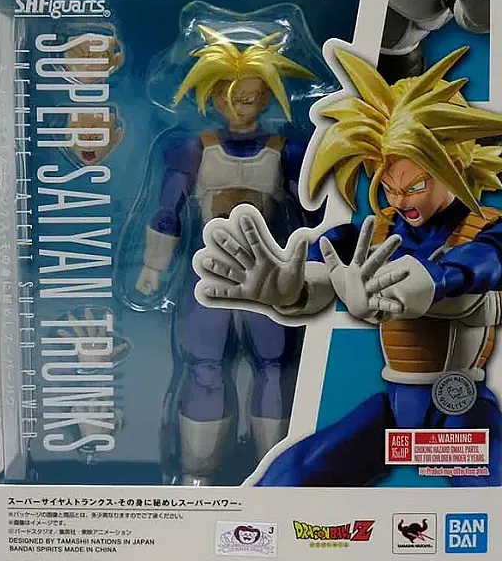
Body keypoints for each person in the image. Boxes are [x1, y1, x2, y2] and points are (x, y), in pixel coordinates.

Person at [195, 47, 502, 487]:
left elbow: (481, 263)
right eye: (388, 186)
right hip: (395, 409)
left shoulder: (486, 229)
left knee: (491, 501)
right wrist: (290, 288)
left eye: (416, 185)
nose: (400, 200)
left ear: (453, 166)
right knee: (285, 481)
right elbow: (326, 258)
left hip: (457, 409)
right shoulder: (375, 232)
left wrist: (418, 285)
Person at [135, 25, 316, 485]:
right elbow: (168, 211)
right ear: (213, 98)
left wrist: (319, 267)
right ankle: (198, 474)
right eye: (229, 96)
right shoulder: (193, 149)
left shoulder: (286, 152)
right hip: (207, 274)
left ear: (267, 97)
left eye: (250, 97)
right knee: (204, 367)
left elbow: (309, 215)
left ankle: (275, 471)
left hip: (269, 273)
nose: (240, 106)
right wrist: (154, 266)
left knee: (274, 369)